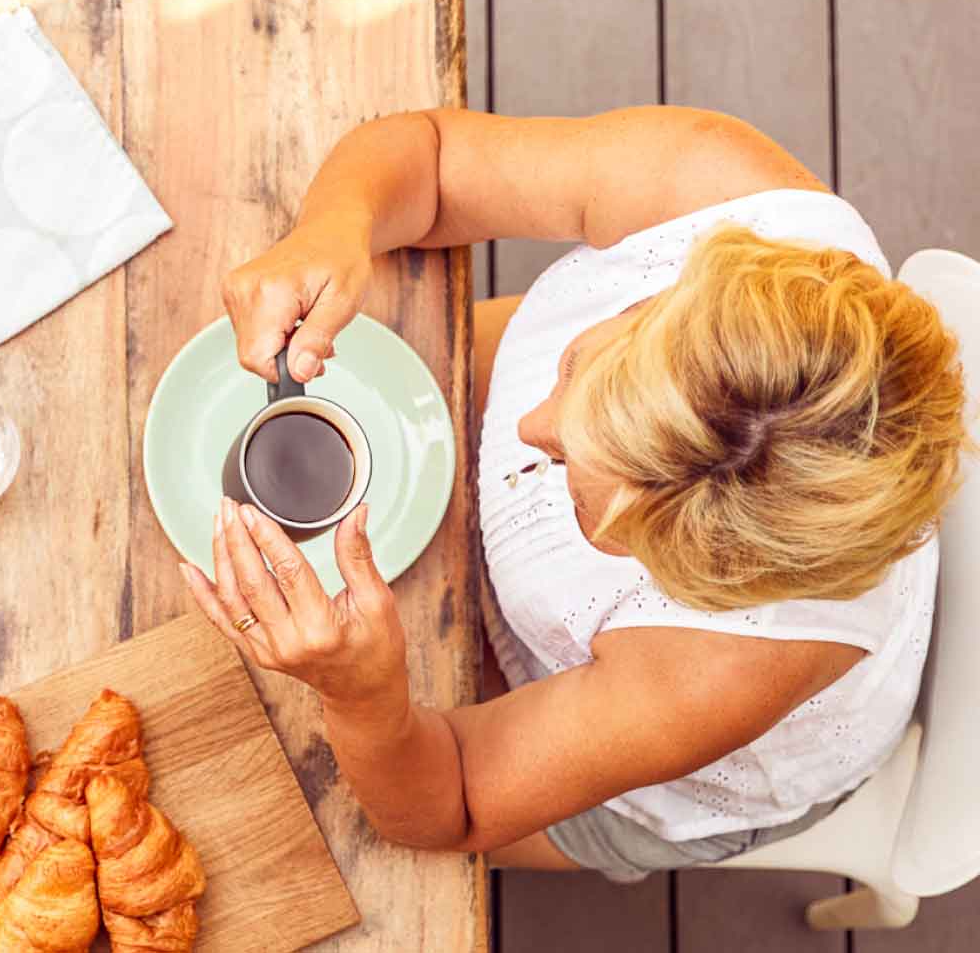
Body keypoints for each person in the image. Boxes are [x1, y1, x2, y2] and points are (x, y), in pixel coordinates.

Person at [190, 106, 962, 882]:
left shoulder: (726, 666)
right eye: (573, 371)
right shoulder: (710, 186)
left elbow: (448, 803)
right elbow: (436, 155)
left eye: (586, 494)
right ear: (661, 295)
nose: (525, 426)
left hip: (657, 761)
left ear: (697, 578)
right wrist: (337, 225)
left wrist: (362, 696)